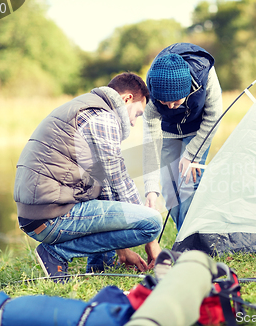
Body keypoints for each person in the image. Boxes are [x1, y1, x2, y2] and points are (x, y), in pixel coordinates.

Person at [13, 72, 162, 279]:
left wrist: (122, 248)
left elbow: (106, 187)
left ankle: (100, 266)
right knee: (153, 222)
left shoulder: (86, 108)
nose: (135, 122)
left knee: (101, 195)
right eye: (137, 114)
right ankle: (56, 253)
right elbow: (119, 179)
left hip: (37, 215)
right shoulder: (103, 118)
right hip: (50, 217)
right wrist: (151, 241)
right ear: (127, 99)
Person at [143, 43, 223, 231]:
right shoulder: (152, 89)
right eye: (164, 102)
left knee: (188, 185)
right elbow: (151, 144)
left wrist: (191, 154)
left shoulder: (205, 74)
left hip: (198, 129)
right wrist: (150, 188)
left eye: (176, 102)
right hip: (168, 131)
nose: (170, 107)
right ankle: (184, 235)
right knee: (169, 191)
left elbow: (214, 116)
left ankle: (189, 239)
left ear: (187, 90)